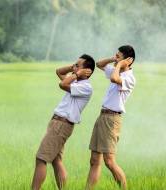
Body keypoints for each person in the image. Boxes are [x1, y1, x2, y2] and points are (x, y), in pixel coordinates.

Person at [32, 54, 95, 190]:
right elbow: (59, 72)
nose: (74, 67)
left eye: (78, 65)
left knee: (41, 159)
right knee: (56, 160)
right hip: (58, 123)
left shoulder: (86, 87)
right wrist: (75, 68)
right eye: (75, 65)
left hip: (62, 124)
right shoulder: (76, 81)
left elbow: (62, 84)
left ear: (87, 71)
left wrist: (76, 74)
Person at [85, 45, 136, 190]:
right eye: (116, 56)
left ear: (129, 60)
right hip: (102, 116)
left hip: (112, 119)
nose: (116, 59)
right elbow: (99, 64)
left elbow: (114, 78)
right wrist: (115, 59)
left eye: (119, 56)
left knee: (109, 161)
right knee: (94, 160)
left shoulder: (129, 77)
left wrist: (120, 64)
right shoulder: (117, 69)